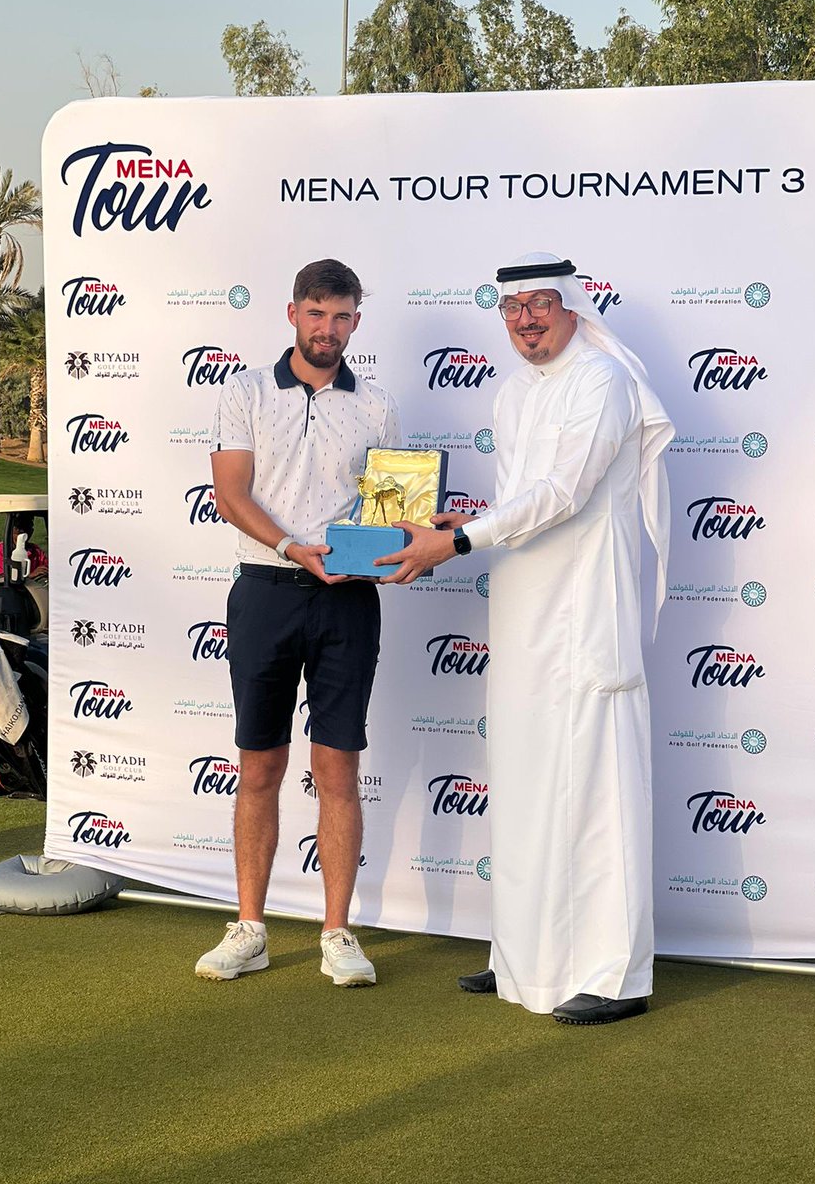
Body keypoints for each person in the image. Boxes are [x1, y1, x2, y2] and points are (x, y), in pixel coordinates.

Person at [376, 251, 674, 1025]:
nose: (527, 320)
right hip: (520, 610)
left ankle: (615, 977)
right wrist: (457, 525)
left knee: (595, 789)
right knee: (525, 779)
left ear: (572, 307)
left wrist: (463, 540)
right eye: (512, 309)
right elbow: (518, 500)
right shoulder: (511, 392)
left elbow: (565, 493)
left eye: (541, 304)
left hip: (585, 612)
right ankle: (522, 959)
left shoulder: (603, 383)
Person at [196, 259, 400, 986]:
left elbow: (386, 516)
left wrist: (403, 546)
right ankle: (249, 927)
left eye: (342, 316)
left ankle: (337, 934)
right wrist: (290, 547)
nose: (328, 329)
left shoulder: (376, 405)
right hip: (267, 589)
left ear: (355, 321)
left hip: (347, 598)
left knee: (336, 768)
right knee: (260, 765)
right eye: (317, 314)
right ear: (292, 314)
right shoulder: (246, 390)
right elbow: (230, 493)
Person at [0, 514, 48, 582]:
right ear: (11, 531)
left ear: (31, 531)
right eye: (17, 532)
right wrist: (29, 576)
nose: (21, 537)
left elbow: (45, 568)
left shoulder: (36, 551)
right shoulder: (1, 550)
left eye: (26, 531)